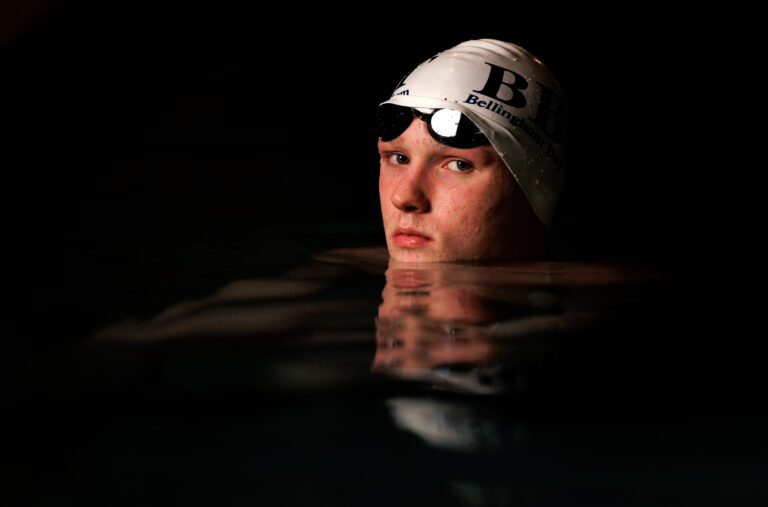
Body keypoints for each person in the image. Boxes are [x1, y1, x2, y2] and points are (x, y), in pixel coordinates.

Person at [376, 39, 567, 262]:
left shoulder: (597, 294)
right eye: (399, 158)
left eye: (459, 164)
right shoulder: (342, 270)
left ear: (536, 195)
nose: (403, 197)